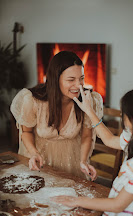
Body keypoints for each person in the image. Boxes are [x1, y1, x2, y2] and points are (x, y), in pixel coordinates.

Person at [52, 86, 133, 216]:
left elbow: (117, 205)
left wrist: (76, 200)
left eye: (123, 113)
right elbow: (109, 140)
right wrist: (89, 111)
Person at [10, 51, 103, 180]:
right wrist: (33, 153)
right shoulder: (32, 100)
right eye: (71, 80)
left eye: (81, 78)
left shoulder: (87, 100)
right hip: (39, 161)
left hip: (72, 162)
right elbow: (26, 132)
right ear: (55, 79)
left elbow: (87, 136)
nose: (79, 85)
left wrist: (83, 161)